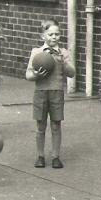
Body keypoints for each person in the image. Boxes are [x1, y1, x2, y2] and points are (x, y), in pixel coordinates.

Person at [25, 19, 76, 169]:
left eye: (57, 34)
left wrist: (63, 62)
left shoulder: (64, 52)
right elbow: (28, 75)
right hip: (40, 92)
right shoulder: (36, 52)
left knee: (56, 125)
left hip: (56, 92)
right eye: (51, 34)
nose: (54, 37)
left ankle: (55, 156)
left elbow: (72, 73)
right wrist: (36, 75)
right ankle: (40, 156)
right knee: (40, 125)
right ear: (43, 36)